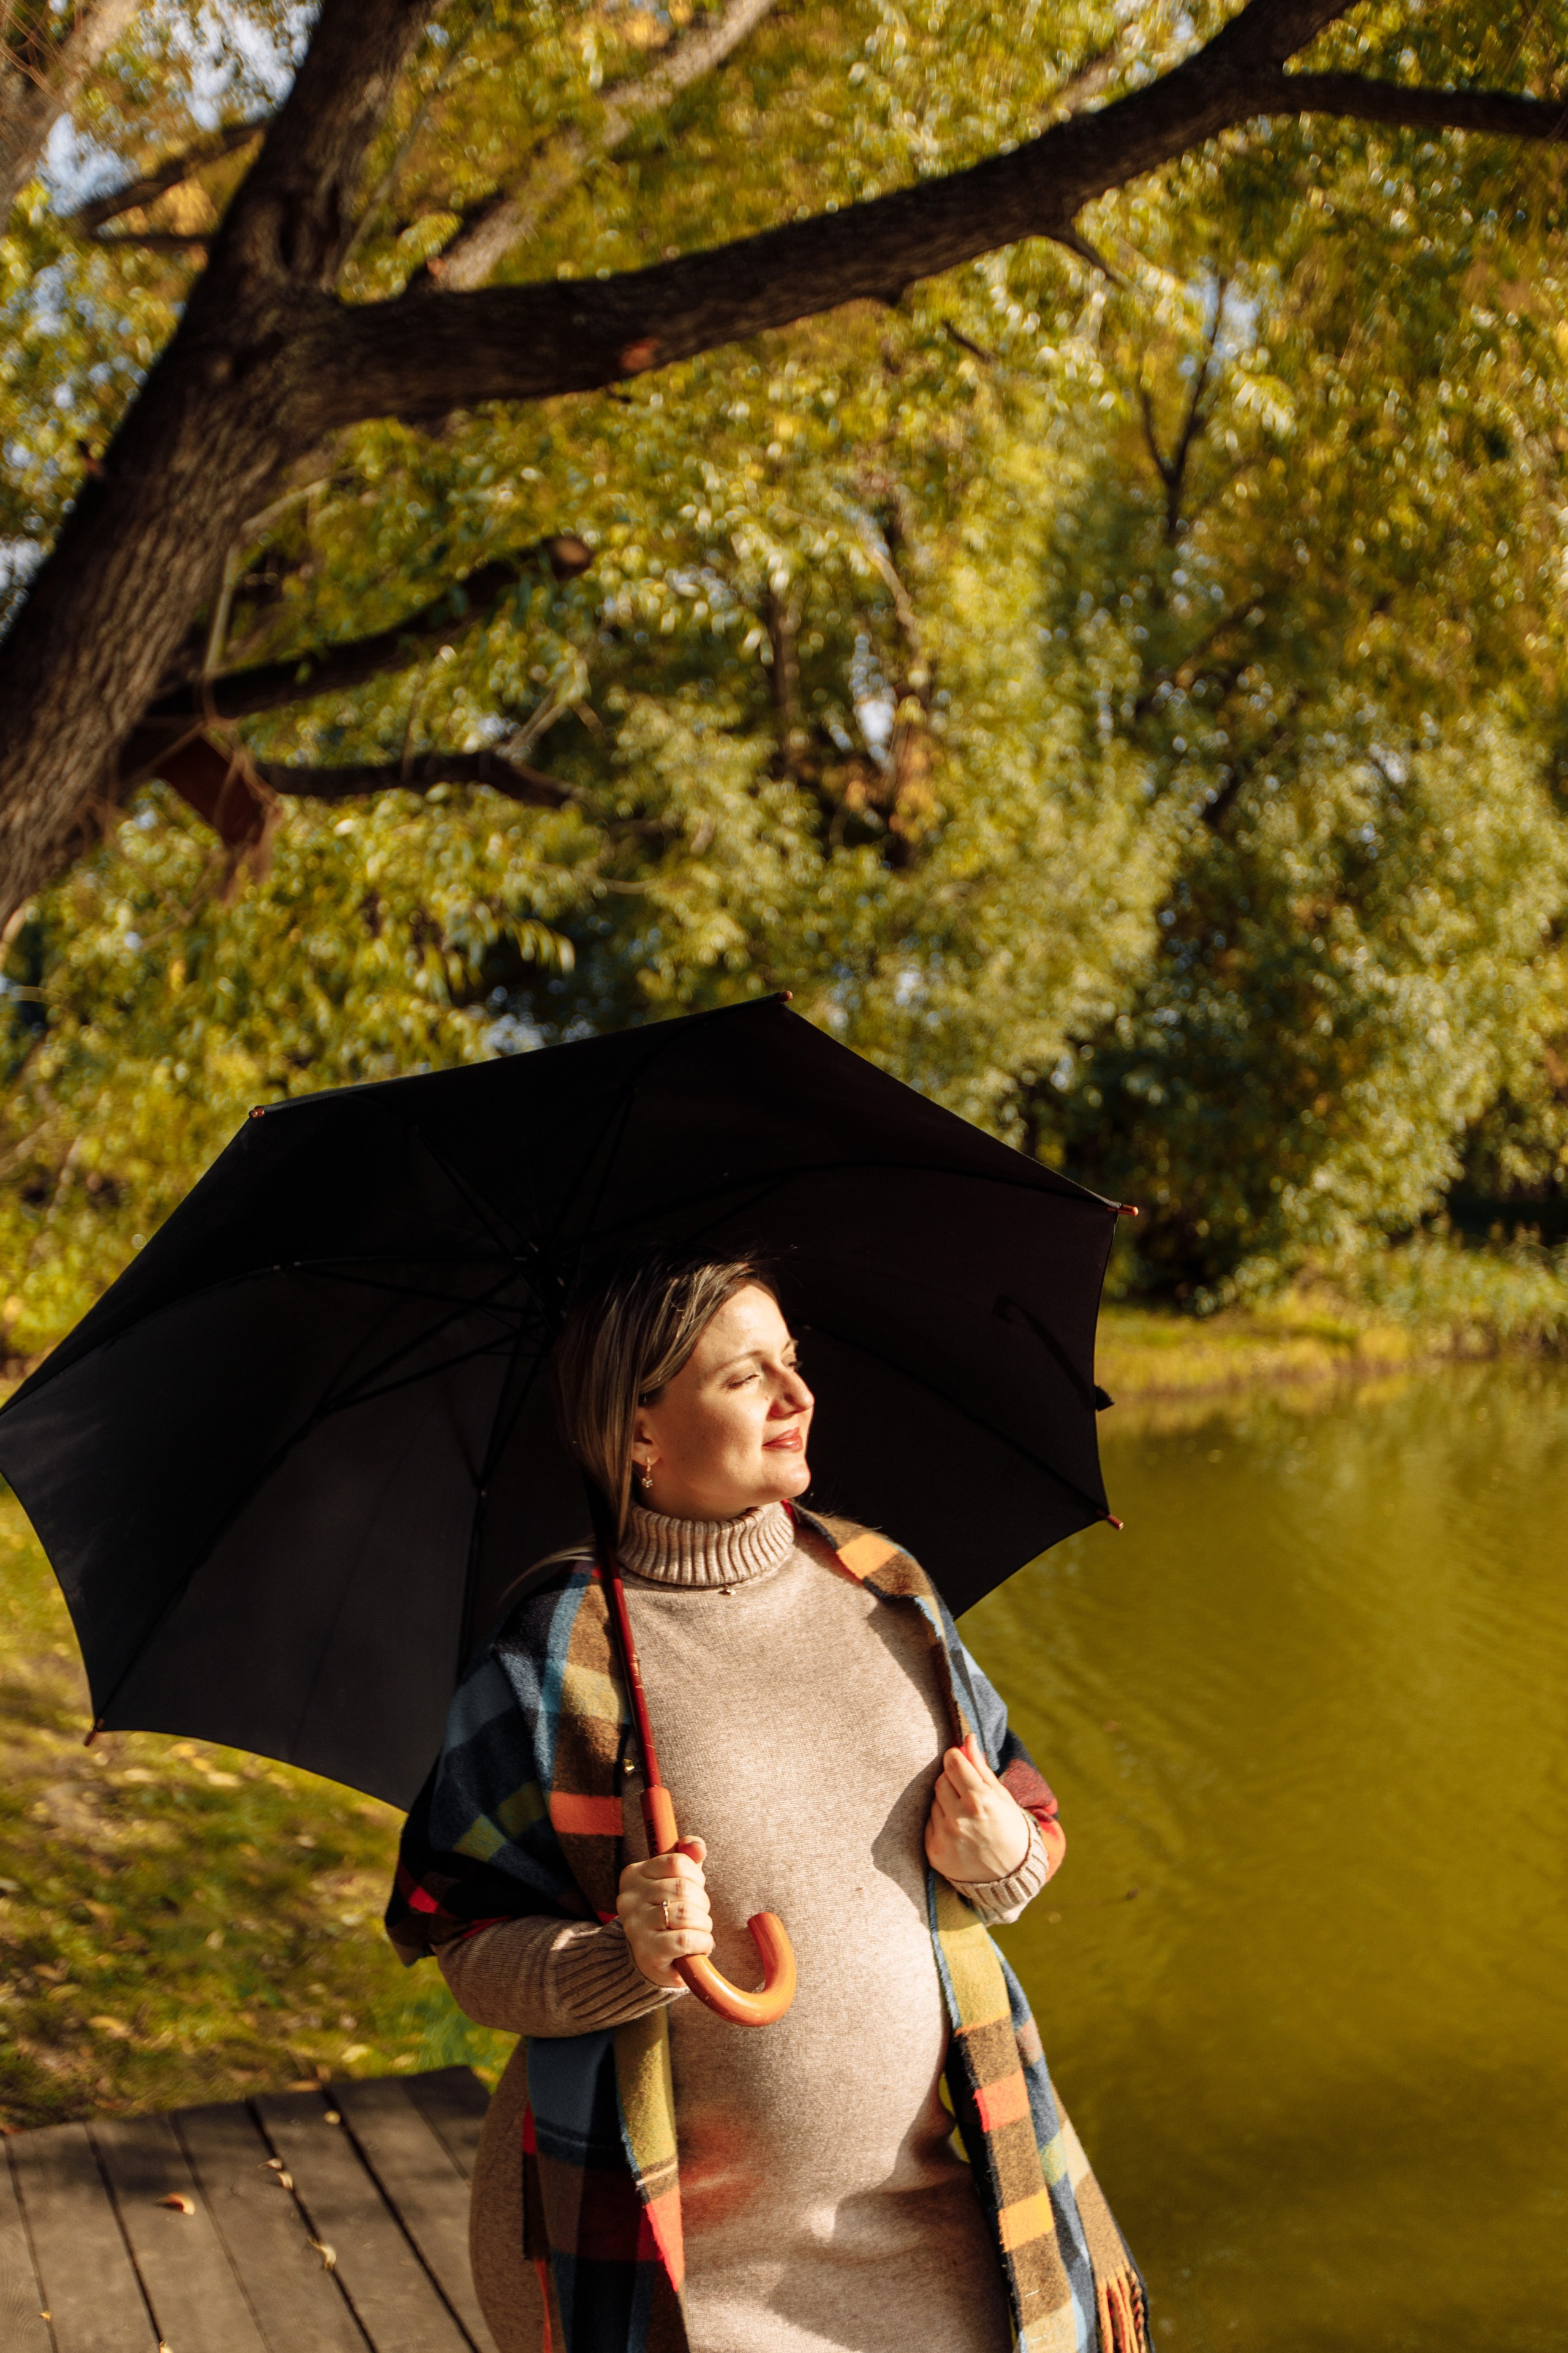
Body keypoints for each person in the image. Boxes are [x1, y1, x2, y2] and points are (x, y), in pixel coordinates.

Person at [387, 1252, 1148, 2353]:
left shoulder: (887, 1586)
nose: (797, 1397)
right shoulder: (555, 1652)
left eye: (793, 1363)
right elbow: (460, 1936)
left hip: (960, 2227)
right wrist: (622, 1955)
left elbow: (1023, 1808)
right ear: (639, 1427)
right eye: (748, 1376)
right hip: (692, 2279)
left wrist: (1004, 1859)